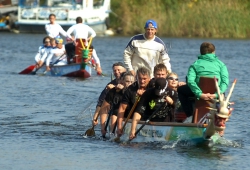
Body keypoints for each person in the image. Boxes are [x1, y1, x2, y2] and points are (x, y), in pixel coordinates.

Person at [177, 42, 229, 123]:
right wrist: (216, 94)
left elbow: (190, 81)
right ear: (213, 52)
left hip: (199, 91)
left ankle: (190, 115)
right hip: (216, 93)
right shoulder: (221, 65)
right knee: (223, 94)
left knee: (180, 90)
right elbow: (225, 82)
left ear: (201, 52)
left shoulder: (195, 64)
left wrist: (199, 94)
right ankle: (219, 118)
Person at [116, 67, 151, 137]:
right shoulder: (130, 89)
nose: (142, 81)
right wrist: (119, 126)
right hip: (132, 116)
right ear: (136, 77)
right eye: (140, 78)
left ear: (149, 78)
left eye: (144, 79)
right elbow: (122, 108)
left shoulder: (153, 86)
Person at [100, 72, 135, 137]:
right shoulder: (114, 91)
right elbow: (104, 109)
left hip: (131, 116)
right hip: (116, 116)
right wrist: (103, 127)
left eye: (132, 82)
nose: (130, 84)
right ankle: (113, 135)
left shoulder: (136, 91)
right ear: (122, 81)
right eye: (127, 81)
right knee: (114, 115)